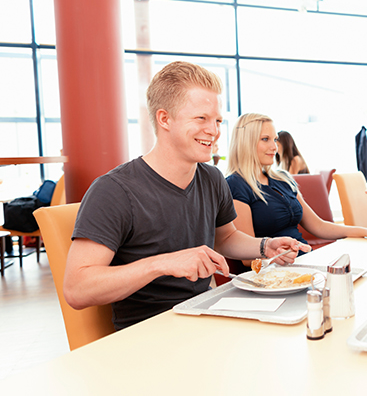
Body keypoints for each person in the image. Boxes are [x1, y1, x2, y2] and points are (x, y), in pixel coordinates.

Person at [64, 61, 310, 331]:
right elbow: (77, 289)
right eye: (201, 118)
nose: (214, 131)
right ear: (164, 118)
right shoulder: (114, 190)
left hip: (206, 313)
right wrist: (163, 263)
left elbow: (225, 237)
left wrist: (264, 246)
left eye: (217, 120)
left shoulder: (211, 178)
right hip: (150, 332)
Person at [226, 113, 367, 273]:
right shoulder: (236, 185)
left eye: (275, 139)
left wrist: (366, 231)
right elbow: (247, 259)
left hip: (305, 262)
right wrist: (277, 258)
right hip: (275, 273)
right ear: (246, 143)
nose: (274, 147)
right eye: (265, 139)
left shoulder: (283, 179)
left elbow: (318, 226)